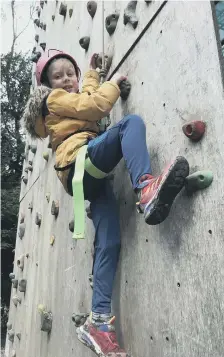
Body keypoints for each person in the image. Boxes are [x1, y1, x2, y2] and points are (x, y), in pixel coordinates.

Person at [23, 49, 189, 357]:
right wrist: (112, 84)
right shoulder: (52, 100)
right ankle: (146, 188)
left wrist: (91, 74)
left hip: (86, 179)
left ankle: (98, 321)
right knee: (130, 124)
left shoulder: (67, 99)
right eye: (57, 77)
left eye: (69, 73)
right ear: (47, 85)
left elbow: (84, 96)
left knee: (109, 242)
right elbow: (95, 105)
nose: (66, 80)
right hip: (80, 161)